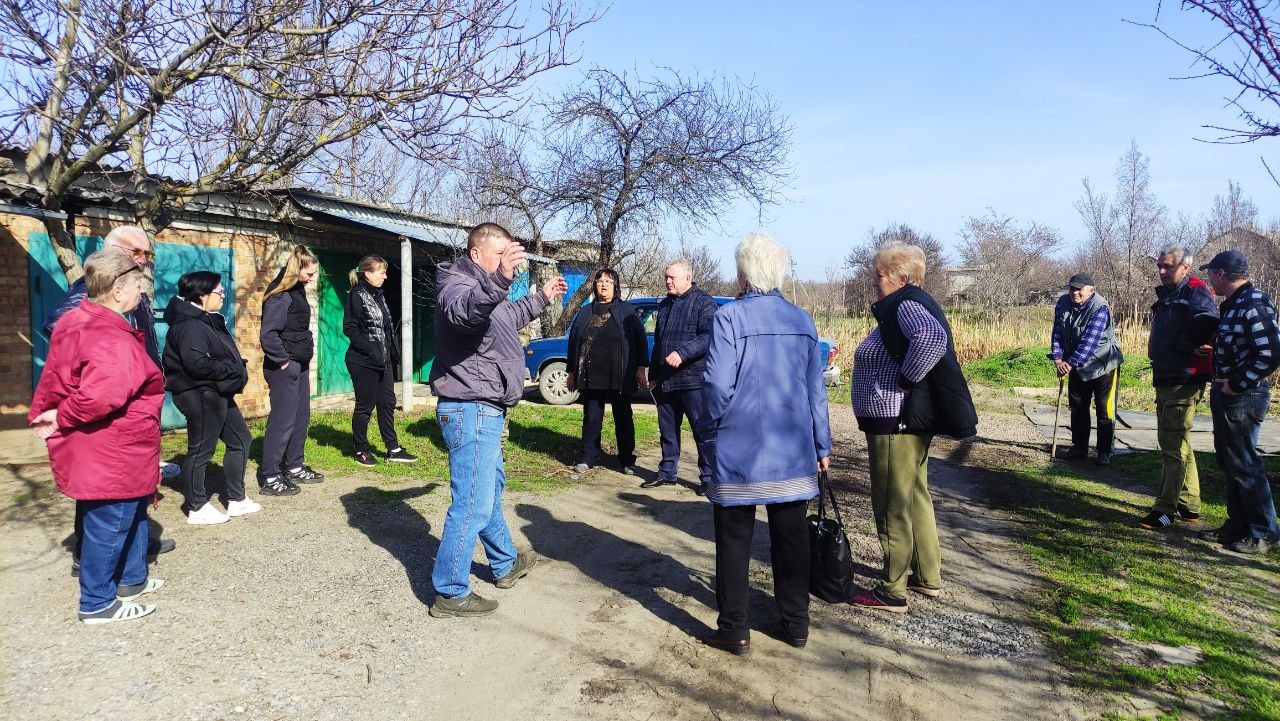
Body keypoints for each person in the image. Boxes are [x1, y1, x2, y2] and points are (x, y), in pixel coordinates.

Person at [695, 233, 831, 655]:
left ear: (743, 273)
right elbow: (815, 393)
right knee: (791, 541)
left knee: (733, 542)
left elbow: (717, 383)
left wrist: (707, 426)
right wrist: (821, 445)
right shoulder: (803, 321)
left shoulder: (730, 318)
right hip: (793, 452)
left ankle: (735, 630)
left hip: (740, 450)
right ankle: (796, 624)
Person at [428, 222, 568, 618]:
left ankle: (504, 563)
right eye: (501, 255)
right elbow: (465, 314)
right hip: (469, 406)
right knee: (472, 500)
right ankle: (450, 592)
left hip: (487, 407)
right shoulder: (456, 285)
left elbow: (508, 316)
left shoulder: (490, 289)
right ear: (477, 254)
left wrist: (541, 297)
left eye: (512, 256)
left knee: (486, 489)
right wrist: (503, 276)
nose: (509, 263)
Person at [30, 250, 166, 623]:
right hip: (113, 445)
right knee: (111, 520)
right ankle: (97, 603)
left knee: (133, 512)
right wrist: (63, 416)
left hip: (117, 441)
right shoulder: (108, 335)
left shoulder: (81, 319)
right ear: (118, 290)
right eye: (138, 284)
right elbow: (100, 396)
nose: (142, 291)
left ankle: (132, 579)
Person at [848, 242, 977, 614]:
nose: (875, 281)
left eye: (880, 274)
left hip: (895, 422)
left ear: (900, 278)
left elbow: (931, 339)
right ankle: (927, 576)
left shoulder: (904, 304)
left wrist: (907, 377)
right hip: (902, 423)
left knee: (892, 504)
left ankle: (892, 589)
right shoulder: (913, 301)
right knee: (916, 495)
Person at [1198, 250, 1280, 554]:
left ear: (1221, 273)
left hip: (1245, 396)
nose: (1209, 278)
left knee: (1245, 462)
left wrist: (1236, 383)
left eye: (1210, 273)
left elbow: (1271, 353)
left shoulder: (1254, 303)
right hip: (1228, 393)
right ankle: (1237, 527)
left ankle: (1264, 532)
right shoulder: (1234, 305)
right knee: (1230, 460)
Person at [162, 271, 257, 524]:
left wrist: (234, 366)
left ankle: (236, 499)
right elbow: (197, 364)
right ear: (202, 295)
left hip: (217, 391)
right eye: (218, 291)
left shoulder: (205, 319)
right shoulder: (190, 324)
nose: (223, 294)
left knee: (241, 439)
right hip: (199, 393)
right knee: (202, 449)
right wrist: (233, 368)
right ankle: (196, 507)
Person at [1139, 246, 1218, 530]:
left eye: (1168, 266)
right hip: (1167, 375)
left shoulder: (1196, 290)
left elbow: (1208, 319)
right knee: (1178, 442)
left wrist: (1184, 346)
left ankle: (1165, 509)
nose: (1162, 271)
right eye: (1160, 265)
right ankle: (1189, 505)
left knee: (1172, 445)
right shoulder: (1171, 293)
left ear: (1186, 267)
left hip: (1184, 378)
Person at [565, 268, 647, 475]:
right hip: (592, 373)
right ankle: (588, 457)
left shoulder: (627, 311)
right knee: (592, 417)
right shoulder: (585, 312)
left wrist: (640, 367)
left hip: (620, 374)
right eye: (599, 281)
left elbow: (640, 341)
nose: (603, 284)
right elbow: (574, 342)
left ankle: (627, 460)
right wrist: (572, 371)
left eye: (608, 282)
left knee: (623, 417)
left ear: (615, 286)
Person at [646, 260, 719, 492]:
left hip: (694, 380)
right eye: (666, 277)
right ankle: (667, 471)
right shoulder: (665, 305)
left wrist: (683, 353)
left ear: (687, 278)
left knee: (702, 431)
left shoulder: (704, 302)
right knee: (667, 430)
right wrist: (654, 374)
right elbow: (659, 342)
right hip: (666, 381)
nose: (667, 281)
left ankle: (709, 478)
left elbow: (710, 336)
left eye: (672, 278)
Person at [258, 245, 324, 496]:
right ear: (296, 270)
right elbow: (269, 334)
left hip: (299, 364)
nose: (311, 279)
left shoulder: (297, 291)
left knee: (300, 418)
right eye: (309, 274)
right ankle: (270, 475)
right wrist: (283, 361)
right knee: (282, 421)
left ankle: (294, 466)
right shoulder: (280, 295)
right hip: (284, 367)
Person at [344, 255, 418, 467]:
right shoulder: (357, 294)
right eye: (381, 272)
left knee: (387, 403)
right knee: (365, 406)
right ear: (367, 273)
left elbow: (385, 329)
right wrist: (369, 350)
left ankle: (393, 449)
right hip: (363, 360)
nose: (385, 276)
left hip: (383, 361)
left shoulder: (379, 295)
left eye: (385, 272)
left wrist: (390, 354)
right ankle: (360, 449)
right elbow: (350, 328)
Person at [1048, 272, 1124, 466]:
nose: (1075, 292)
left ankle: (1104, 451)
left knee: (1104, 409)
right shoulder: (1063, 303)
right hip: (1076, 363)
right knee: (1078, 405)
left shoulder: (1100, 307)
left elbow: (1090, 342)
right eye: (1072, 288)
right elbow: (1057, 332)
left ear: (1091, 290)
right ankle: (1079, 447)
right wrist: (1058, 359)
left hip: (1103, 363)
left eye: (1080, 289)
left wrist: (1069, 363)